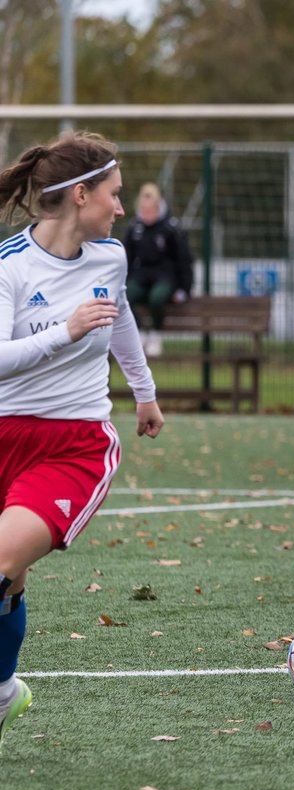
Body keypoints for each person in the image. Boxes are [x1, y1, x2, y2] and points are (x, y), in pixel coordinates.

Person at [0, 131, 165, 749]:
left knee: (0, 566)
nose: (120, 209)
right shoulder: (10, 266)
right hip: (3, 432)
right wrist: (63, 333)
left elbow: (118, 315)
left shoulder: (111, 257)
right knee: (8, 583)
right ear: (78, 196)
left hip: (74, 445)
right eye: (113, 196)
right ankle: (3, 692)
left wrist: (143, 391)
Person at [124, 182, 193, 358]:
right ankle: (139, 334)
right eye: (143, 209)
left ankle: (155, 334)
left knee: (157, 298)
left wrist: (184, 289)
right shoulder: (134, 228)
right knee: (125, 296)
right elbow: (127, 258)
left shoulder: (171, 228)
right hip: (142, 276)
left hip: (165, 276)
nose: (147, 214)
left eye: (151, 209)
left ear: (157, 207)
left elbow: (184, 259)